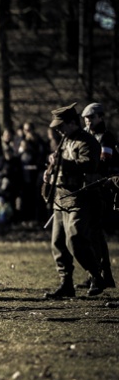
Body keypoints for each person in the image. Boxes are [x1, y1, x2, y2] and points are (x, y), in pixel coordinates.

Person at [43, 103, 105, 299]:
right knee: (58, 243)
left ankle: (96, 275)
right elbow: (57, 164)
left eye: (61, 126)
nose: (58, 130)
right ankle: (66, 283)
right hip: (61, 198)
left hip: (80, 197)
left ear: (72, 123)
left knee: (76, 238)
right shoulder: (64, 141)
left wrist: (63, 163)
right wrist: (50, 171)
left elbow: (90, 164)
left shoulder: (87, 141)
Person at [78, 102, 117, 289]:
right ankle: (96, 274)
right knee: (90, 234)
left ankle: (103, 274)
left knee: (95, 234)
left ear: (101, 117)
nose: (88, 121)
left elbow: (103, 163)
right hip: (90, 188)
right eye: (86, 118)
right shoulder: (89, 137)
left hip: (103, 190)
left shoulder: (106, 138)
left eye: (92, 117)